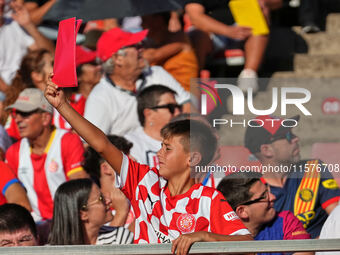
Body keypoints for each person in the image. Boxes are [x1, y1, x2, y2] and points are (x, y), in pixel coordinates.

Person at [45, 78, 252, 255]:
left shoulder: (209, 199)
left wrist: (205, 237)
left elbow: (248, 245)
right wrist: (62, 106)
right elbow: (102, 144)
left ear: (192, 159)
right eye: (161, 146)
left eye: (168, 149)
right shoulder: (144, 180)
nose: (159, 153)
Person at [244, 115, 340, 238]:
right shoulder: (254, 193)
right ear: (267, 150)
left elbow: (337, 217)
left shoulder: (313, 168)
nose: (296, 139)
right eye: (288, 136)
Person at [84, 27, 191, 136]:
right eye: (135, 46)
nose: (142, 49)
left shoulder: (156, 73)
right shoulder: (100, 97)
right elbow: (91, 143)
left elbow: (188, 106)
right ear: (118, 58)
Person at [5, 88, 88, 221]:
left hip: (69, 220)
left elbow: (80, 188)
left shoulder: (68, 141)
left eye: (25, 114)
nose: (18, 119)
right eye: (17, 114)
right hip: (35, 226)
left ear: (45, 118)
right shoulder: (13, 152)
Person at [184, 0, 271, 92]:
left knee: (259, 21)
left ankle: (249, 75)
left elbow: (278, 2)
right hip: (211, 33)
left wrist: (264, 2)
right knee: (197, 35)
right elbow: (195, 17)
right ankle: (194, 80)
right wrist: (228, 31)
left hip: (244, 28)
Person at [217, 171, 312, 255]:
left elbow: (306, 252)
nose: (273, 197)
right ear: (242, 212)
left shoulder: (285, 221)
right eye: (264, 196)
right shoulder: (220, 241)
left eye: (268, 191)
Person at [48, 178, 133, 245]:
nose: (108, 200)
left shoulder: (119, 238)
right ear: (82, 214)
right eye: (101, 198)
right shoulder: (49, 252)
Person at [0, 0, 54, 91]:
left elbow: (51, 54)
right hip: (8, 93)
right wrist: (16, 96)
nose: (1, 2)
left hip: (29, 86)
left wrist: (29, 25)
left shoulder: (13, 22)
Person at [82, 135, 134, 228]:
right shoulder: (91, 208)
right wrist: (121, 212)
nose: (134, 160)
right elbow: (101, 242)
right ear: (106, 168)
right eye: (125, 158)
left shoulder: (142, 198)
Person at [124, 85, 182, 168]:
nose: (178, 113)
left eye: (178, 107)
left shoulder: (185, 142)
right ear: (149, 114)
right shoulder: (130, 145)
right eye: (171, 108)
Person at [2, 49, 54, 140]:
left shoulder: (66, 101)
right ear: (37, 76)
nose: (59, 67)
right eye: (53, 64)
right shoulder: (20, 107)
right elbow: (10, 143)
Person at [141, 12, 199, 91]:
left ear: (158, 20)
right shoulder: (148, 44)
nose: (141, 25)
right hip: (160, 94)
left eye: (144, 20)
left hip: (185, 94)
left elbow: (151, 56)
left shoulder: (179, 38)